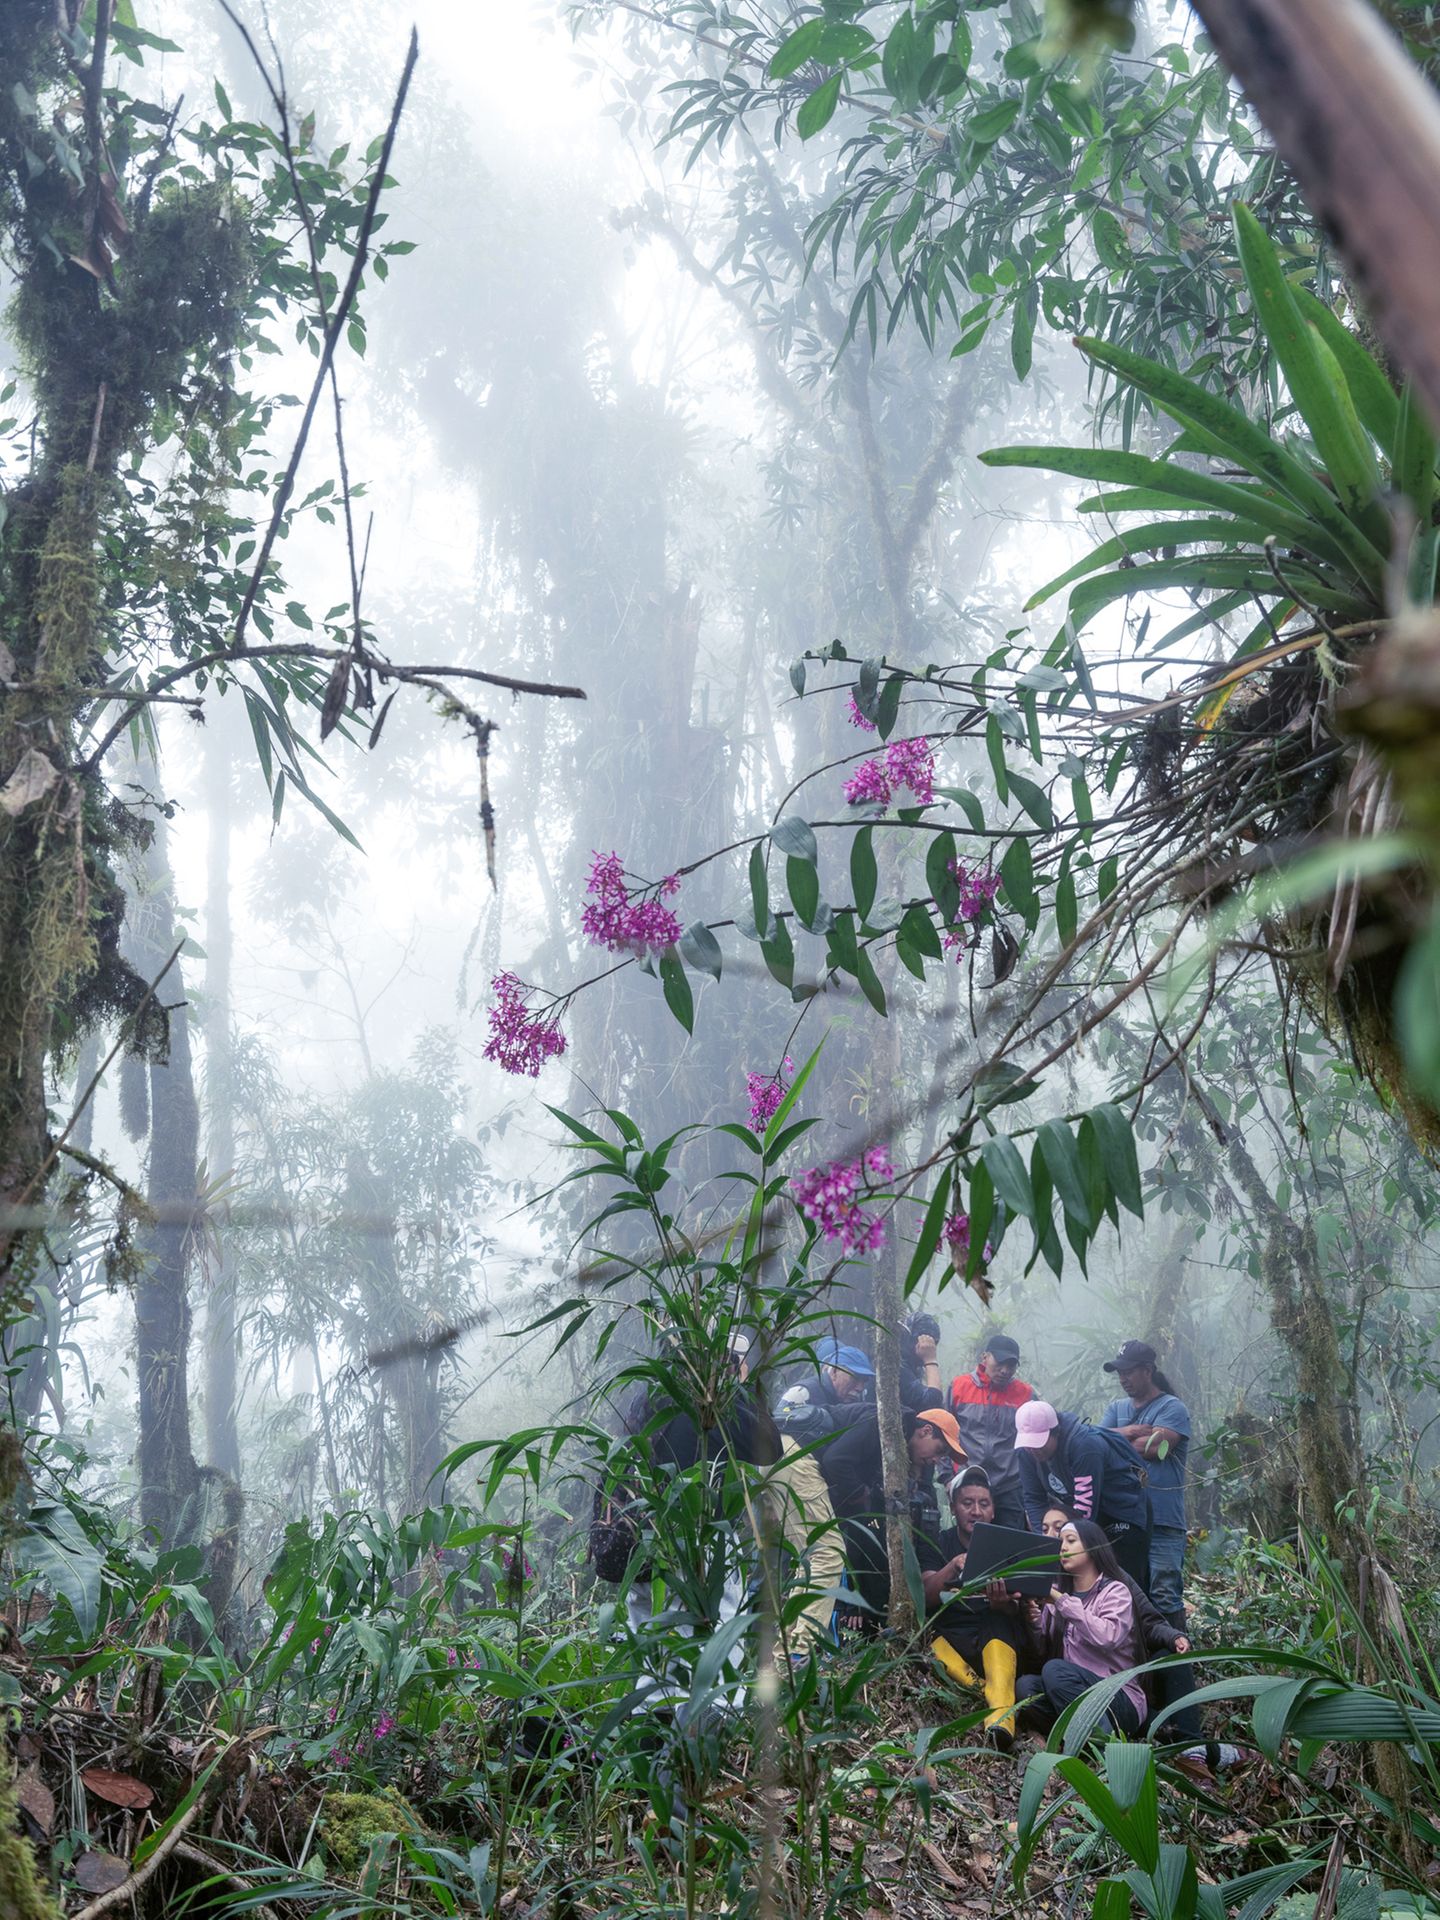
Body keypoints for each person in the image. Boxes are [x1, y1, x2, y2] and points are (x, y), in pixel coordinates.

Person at [817, 1405, 966, 1615]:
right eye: (940, 1451)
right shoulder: (886, 1423)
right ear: (925, 1431)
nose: (936, 1460)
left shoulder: (904, 1448)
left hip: (826, 1478)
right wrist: (861, 1494)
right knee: (826, 1554)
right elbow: (835, 1460)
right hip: (806, 1463)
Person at [1014, 1517, 1146, 1737]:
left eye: (1071, 1540)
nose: (1063, 1547)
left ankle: (1101, 1739)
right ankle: (1075, 1736)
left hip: (1117, 1698)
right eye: (1061, 1541)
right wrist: (1035, 1622)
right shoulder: (1060, 1595)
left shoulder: (1115, 1591)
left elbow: (1108, 1636)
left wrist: (1062, 1601)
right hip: (1073, 1691)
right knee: (1027, 1686)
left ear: (1093, 1547)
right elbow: (1041, 1650)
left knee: (1055, 1671)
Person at [919, 1467, 1022, 1747]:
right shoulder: (938, 1542)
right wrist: (953, 1566)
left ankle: (1001, 1720)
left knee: (999, 1623)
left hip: (992, 1636)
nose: (976, 1511)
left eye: (983, 1503)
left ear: (993, 1510)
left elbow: (1019, 1607)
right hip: (950, 1636)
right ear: (953, 1508)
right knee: (925, 1634)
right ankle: (985, 1693)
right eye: (967, 1503)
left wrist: (1003, 1604)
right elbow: (925, 1596)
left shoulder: (1007, 1545)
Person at [1098, 1340, 1191, 1627]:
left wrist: (1114, 1438)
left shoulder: (1172, 1407)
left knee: (1164, 1595)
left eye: (1128, 1371)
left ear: (1148, 1371)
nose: (1123, 1378)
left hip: (1163, 1520)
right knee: (1128, 1596)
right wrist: (1127, 1431)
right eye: (1120, 1373)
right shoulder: (1117, 1408)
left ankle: (1176, 1653)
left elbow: (1154, 1448)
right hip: (1127, 1521)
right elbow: (1093, 1445)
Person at [1013, 1400, 1151, 1589]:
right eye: (1029, 1443)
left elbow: (1085, 1508)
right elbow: (1033, 1499)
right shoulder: (1026, 1452)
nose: (1033, 1449)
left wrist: (1065, 1542)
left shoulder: (1084, 1445)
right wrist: (1044, 1541)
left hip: (1123, 1512)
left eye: (1039, 1442)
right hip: (1085, 1515)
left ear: (1056, 1432)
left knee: (1124, 1582)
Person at [947, 1333, 1033, 1529]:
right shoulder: (959, 1386)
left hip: (1010, 1486)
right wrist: (947, 1478)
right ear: (985, 1357)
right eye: (1000, 1363)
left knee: (1009, 1541)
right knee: (971, 1539)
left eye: (1011, 1365)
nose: (1005, 1370)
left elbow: (1035, 1441)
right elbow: (943, 1434)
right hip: (968, 1480)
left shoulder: (1025, 1394)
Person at [899, 1311, 946, 1411]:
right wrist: (930, 1360)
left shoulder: (911, 1366)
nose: (929, 1347)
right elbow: (933, 1403)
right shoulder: (898, 1366)